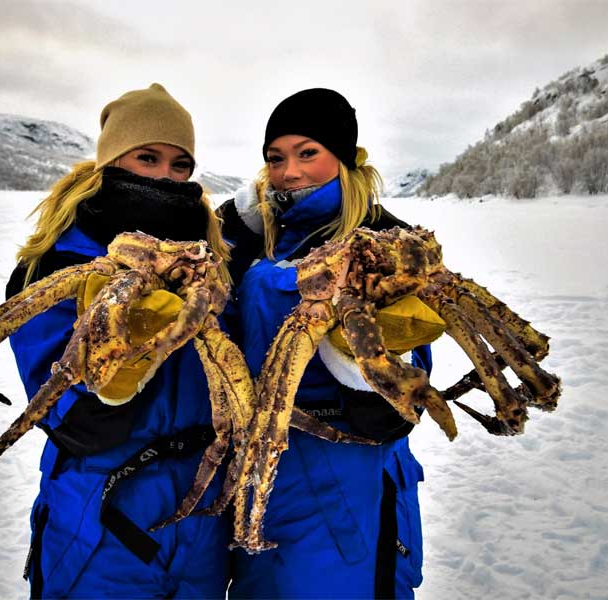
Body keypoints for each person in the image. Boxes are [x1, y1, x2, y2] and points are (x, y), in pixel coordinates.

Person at [6, 83, 232, 598]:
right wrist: (117, 370)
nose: (166, 176)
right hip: (101, 516)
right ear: (110, 161)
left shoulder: (212, 262)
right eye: (147, 157)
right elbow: (69, 420)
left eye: (181, 165)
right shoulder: (60, 263)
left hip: (200, 521)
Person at [218, 88, 430, 598]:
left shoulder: (381, 239)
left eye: (307, 152)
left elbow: (415, 363)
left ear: (343, 156)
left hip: (345, 488)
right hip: (260, 481)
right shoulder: (263, 239)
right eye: (276, 158)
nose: (290, 171)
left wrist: (374, 379)